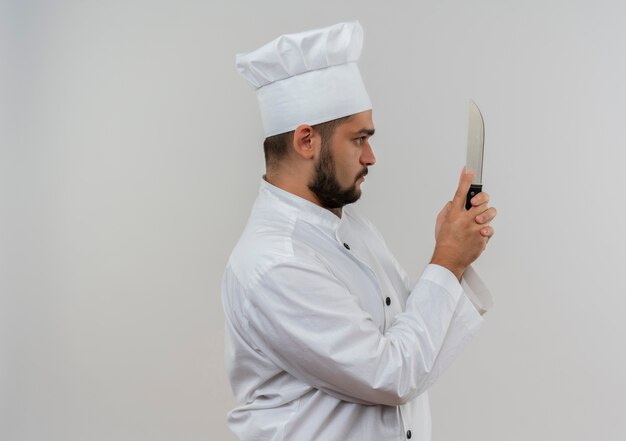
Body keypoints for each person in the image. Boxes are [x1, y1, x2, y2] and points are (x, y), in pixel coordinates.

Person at [222, 21, 497, 441]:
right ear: (306, 141)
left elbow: (417, 347)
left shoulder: (350, 227)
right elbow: (391, 376)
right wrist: (447, 259)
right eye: (359, 139)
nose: (371, 156)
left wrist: (452, 256)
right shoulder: (276, 262)